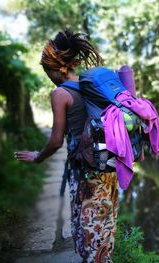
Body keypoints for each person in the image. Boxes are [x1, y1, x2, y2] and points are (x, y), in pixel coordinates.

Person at [15, 30, 118, 263]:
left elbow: (55, 140)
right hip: (108, 166)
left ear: (56, 68)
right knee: (105, 227)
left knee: (89, 230)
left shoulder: (60, 93)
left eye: (47, 71)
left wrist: (37, 157)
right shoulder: (90, 86)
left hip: (85, 173)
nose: (48, 76)